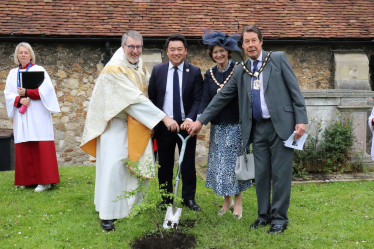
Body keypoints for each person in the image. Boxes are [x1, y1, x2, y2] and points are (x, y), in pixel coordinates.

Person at [188, 25, 308, 233]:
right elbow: (222, 97)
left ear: (261, 42)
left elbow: (295, 90)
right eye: (246, 42)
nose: (251, 45)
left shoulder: (277, 59)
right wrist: (200, 121)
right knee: (260, 175)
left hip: (282, 126)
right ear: (241, 46)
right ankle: (263, 216)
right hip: (257, 128)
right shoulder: (241, 70)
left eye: (254, 40)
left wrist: (301, 120)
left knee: (280, 174)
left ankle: (279, 218)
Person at [80, 31, 178, 231]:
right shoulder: (114, 69)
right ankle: (108, 215)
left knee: (134, 167)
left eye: (139, 47)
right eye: (131, 47)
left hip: (136, 125)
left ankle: (132, 207)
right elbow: (135, 99)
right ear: (123, 46)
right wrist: (163, 118)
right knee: (114, 170)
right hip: (116, 127)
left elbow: (149, 90)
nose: (135, 51)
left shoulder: (138, 64)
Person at [198, 30, 252, 219]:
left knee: (235, 166)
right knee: (221, 166)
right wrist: (199, 119)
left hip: (236, 126)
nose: (219, 55)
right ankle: (226, 200)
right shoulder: (209, 73)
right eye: (215, 52)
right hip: (218, 127)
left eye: (222, 51)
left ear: (228, 51)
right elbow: (205, 100)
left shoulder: (239, 69)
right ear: (211, 55)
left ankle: (238, 202)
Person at [148, 34, 204, 211]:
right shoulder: (157, 71)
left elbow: (198, 99)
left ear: (185, 51)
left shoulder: (194, 72)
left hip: (187, 127)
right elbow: (152, 99)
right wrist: (163, 119)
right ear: (167, 51)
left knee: (187, 163)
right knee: (164, 164)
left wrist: (189, 119)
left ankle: (188, 199)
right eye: (172, 49)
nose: (176, 53)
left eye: (180, 49)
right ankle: (166, 198)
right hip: (164, 126)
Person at [4, 42, 61, 192]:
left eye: (26, 52)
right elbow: (8, 93)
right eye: (20, 52)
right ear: (17, 55)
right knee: (24, 141)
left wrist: (28, 93)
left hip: (37, 112)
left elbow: (47, 90)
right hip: (22, 113)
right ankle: (27, 179)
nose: (23, 55)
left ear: (31, 55)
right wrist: (19, 99)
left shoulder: (38, 70)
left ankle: (45, 181)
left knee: (40, 141)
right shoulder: (12, 73)